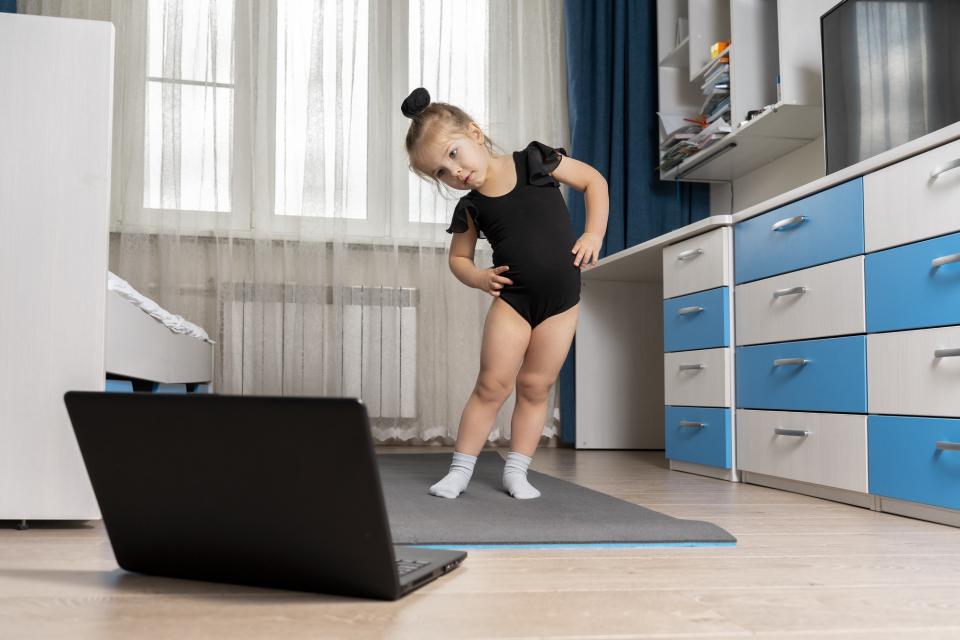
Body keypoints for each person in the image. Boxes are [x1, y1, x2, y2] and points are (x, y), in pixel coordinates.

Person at [402, 87, 609, 499]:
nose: (453, 171)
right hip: (513, 302)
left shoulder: (534, 160)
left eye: (453, 154)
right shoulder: (472, 208)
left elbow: (593, 181)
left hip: (561, 302)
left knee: (536, 386)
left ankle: (518, 471)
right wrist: (478, 278)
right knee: (492, 386)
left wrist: (593, 233)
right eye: (440, 172)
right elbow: (458, 259)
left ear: (475, 133)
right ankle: (460, 470)